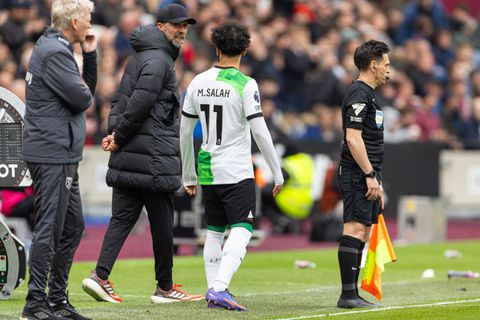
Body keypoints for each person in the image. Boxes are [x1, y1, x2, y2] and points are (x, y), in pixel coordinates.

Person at [81, 4, 202, 304]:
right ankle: (165, 287)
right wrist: (118, 138)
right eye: (177, 25)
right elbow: (139, 104)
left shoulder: (139, 58)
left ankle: (100, 275)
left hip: (132, 155)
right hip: (153, 157)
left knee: (121, 219)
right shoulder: (160, 61)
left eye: (186, 25)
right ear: (160, 27)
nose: (183, 30)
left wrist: (114, 134)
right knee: (162, 223)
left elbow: (119, 102)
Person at [180, 21, 284, 311]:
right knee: (242, 227)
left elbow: (185, 132)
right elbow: (260, 131)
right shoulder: (245, 84)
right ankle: (220, 287)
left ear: (216, 48)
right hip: (236, 170)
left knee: (214, 229)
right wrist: (276, 172)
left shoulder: (197, 82)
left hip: (207, 168)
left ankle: (214, 290)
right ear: (245, 50)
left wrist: (188, 174)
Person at [20, 0, 97, 319]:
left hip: (59, 150)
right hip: (52, 151)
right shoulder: (55, 52)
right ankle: (35, 304)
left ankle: (56, 300)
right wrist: (85, 73)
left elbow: (84, 95)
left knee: (72, 225)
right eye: (88, 17)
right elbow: (83, 99)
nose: (92, 22)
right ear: (76, 21)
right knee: (50, 227)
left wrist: (90, 56)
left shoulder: (54, 47)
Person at [337, 39, 390, 309]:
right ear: (373, 65)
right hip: (358, 173)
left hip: (368, 172)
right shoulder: (358, 92)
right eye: (386, 64)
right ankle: (347, 295)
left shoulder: (368, 94)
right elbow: (353, 139)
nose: (388, 70)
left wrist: (375, 175)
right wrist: (369, 173)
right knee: (355, 228)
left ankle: (353, 293)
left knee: (365, 230)